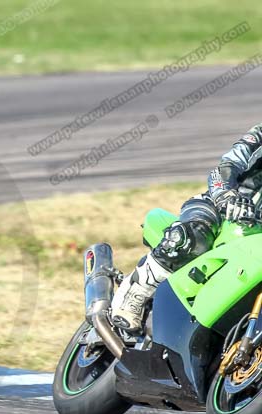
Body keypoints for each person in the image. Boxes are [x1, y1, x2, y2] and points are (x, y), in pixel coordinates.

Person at [112, 123, 262, 332]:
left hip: (258, 243)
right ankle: (135, 292)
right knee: (194, 238)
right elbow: (224, 168)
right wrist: (228, 196)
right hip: (223, 211)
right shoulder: (259, 136)